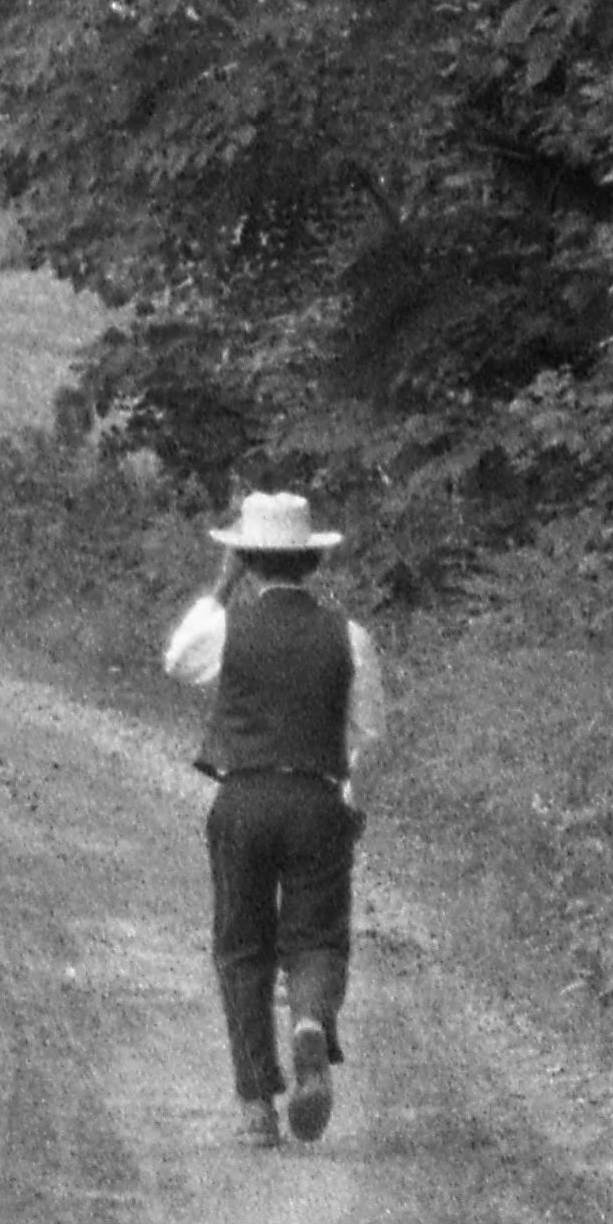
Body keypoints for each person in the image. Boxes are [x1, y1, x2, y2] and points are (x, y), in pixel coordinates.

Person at [163, 487, 388, 1147]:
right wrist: (349, 798)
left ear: (247, 560)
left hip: (243, 798)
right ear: (312, 563)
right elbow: (368, 735)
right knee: (317, 937)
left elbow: (178, 661)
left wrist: (219, 587)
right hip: (316, 799)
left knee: (242, 948)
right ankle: (310, 1019)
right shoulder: (350, 637)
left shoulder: (229, 627)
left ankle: (257, 1103)